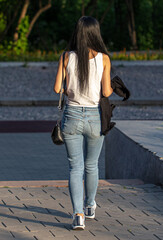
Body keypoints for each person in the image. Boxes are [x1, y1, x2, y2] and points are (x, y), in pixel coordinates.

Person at [54, 16, 113, 230]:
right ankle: (90, 206)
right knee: (91, 165)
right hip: (95, 117)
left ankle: (77, 215)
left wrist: (70, 86)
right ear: (95, 33)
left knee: (75, 167)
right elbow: (106, 91)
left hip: (71, 116)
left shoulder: (66, 57)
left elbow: (56, 89)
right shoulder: (104, 58)